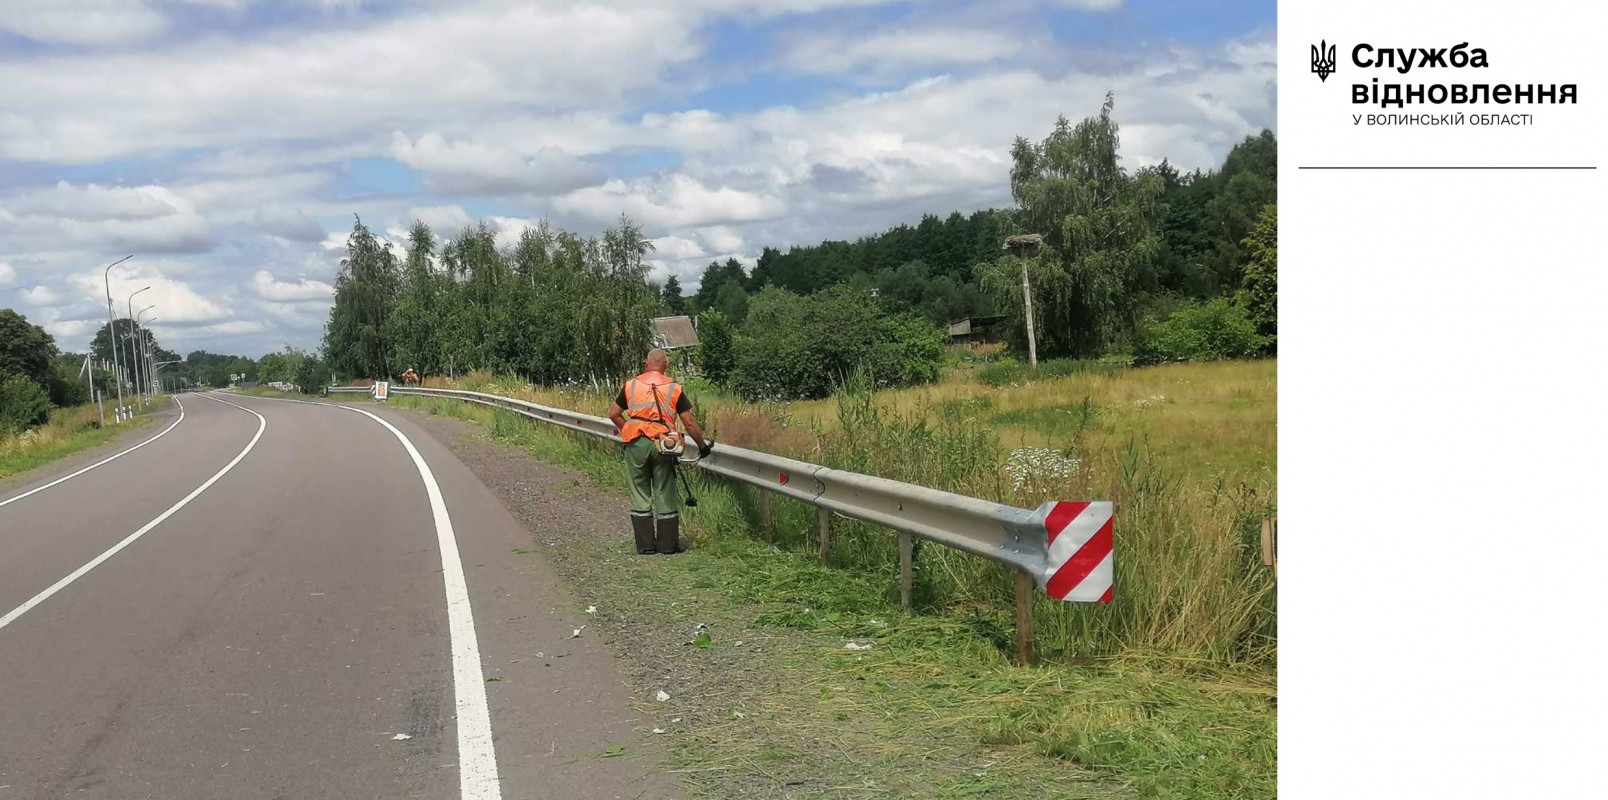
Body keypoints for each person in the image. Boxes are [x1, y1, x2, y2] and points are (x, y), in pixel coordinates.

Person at [608, 349, 712, 555]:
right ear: (666, 365)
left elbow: (614, 414)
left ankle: (646, 545)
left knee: (639, 490)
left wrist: (629, 428)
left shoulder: (631, 385)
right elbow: (689, 422)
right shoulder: (674, 388)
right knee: (664, 489)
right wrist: (702, 447)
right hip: (663, 444)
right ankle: (667, 546)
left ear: (646, 363)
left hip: (636, 443)